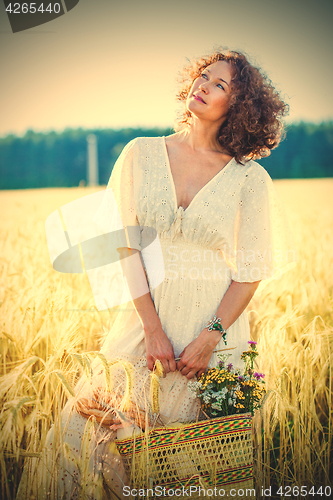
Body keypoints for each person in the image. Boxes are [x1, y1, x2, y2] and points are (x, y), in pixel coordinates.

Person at [17, 48, 296, 500]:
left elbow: (251, 271)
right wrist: (151, 330)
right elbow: (127, 246)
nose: (203, 86)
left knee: (196, 461)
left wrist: (210, 338)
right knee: (93, 435)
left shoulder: (250, 179)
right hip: (147, 320)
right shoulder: (140, 154)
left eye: (220, 84)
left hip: (213, 326)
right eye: (203, 76)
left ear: (239, 107)